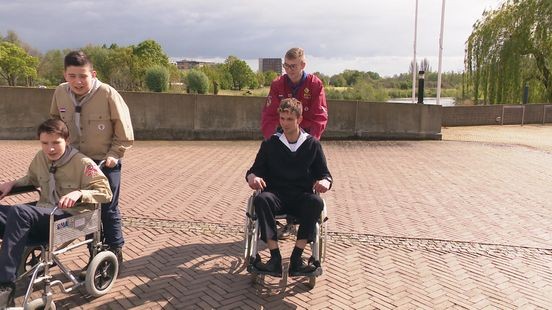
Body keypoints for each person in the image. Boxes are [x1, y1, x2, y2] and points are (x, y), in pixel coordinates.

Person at [0, 119, 112, 308]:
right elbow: (32, 178)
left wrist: (80, 193)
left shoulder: (83, 163)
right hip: (43, 212)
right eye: (45, 143)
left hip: (68, 217)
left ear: (66, 141)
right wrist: (12, 184)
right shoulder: (40, 158)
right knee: (13, 213)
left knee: (20, 212)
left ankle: (5, 286)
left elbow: (106, 193)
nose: (50, 149)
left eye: (55, 143)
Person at [50, 51, 134, 268]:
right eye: (72, 76)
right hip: (76, 162)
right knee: (86, 210)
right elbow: (55, 124)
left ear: (93, 74)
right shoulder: (60, 92)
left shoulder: (107, 93)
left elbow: (124, 130)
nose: (78, 81)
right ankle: (94, 254)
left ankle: (115, 251)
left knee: (107, 207)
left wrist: (115, 154)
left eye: (83, 76)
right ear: (65, 75)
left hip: (105, 161)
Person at [246, 98, 333, 277]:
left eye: (289, 119)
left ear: (299, 120)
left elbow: (325, 175)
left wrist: (325, 182)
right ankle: (275, 258)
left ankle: (296, 258)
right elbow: (253, 171)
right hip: (277, 195)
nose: (285, 123)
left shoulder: (312, 145)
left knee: (316, 202)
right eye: (282, 118)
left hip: (301, 196)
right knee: (262, 199)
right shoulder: (271, 144)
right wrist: (253, 177)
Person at [261, 47, 328, 141]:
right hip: (282, 134)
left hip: (307, 134)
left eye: (293, 66)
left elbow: (320, 116)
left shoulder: (314, 84)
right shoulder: (277, 84)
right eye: (286, 65)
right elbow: (269, 115)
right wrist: (271, 141)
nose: (289, 70)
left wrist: (312, 141)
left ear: (303, 65)